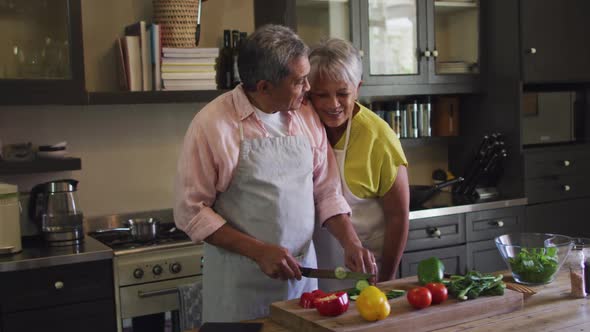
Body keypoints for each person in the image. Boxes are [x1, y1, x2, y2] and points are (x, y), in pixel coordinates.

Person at [174, 25, 376, 323]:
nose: (309, 88)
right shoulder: (212, 125)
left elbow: (325, 191)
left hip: (303, 287)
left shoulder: (305, 116)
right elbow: (191, 213)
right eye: (299, 81)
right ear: (265, 87)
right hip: (239, 291)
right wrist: (258, 251)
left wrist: (350, 242)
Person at [307, 38, 410, 290]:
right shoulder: (305, 124)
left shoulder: (378, 137)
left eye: (343, 93)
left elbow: (398, 216)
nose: (333, 105)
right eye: (321, 95)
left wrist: (386, 280)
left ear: (358, 88)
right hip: (315, 265)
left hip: (366, 268)